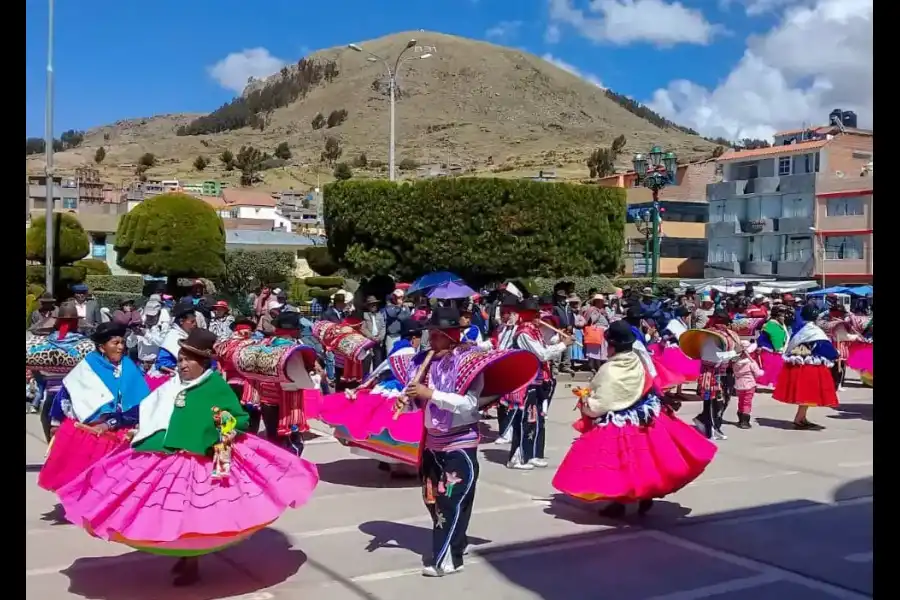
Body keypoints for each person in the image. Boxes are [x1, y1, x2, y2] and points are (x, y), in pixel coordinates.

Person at [55, 328, 319, 587]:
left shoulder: (215, 386)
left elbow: (239, 418)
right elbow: (151, 409)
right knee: (165, 510)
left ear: (202, 364)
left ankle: (191, 561)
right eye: (180, 359)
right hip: (166, 454)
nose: (181, 365)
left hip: (202, 458)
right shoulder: (172, 385)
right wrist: (134, 429)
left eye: (187, 360)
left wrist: (221, 427)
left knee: (194, 513)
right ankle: (185, 556)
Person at [394, 306, 539, 576]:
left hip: (460, 442)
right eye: (429, 335)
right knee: (432, 500)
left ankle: (445, 560)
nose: (430, 341)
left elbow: (470, 406)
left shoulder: (472, 362)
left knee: (451, 500)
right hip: (432, 443)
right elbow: (420, 403)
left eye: (435, 336)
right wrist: (410, 398)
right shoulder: (425, 362)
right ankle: (455, 545)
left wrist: (431, 393)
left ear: (450, 335)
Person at [552, 321, 717, 518]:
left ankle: (619, 503)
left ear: (611, 345)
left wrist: (585, 400)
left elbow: (599, 405)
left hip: (619, 422)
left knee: (617, 465)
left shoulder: (610, 370)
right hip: (644, 418)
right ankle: (644, 495)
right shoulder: (637, 361)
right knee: (645, 462)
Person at [39, 322, 151, 492]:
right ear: (102, 347)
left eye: (122, 342)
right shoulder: (87, 367)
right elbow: (67, 392)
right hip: (90, 431)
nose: (121, 347)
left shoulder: (128, 366)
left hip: (122, 428)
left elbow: (142, 398)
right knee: (89, 479)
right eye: (115, 343)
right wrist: (55, 422)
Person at [507, 298, 570, 470]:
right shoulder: (524, 333)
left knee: (533, 418)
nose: (539, 317)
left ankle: (530, 453)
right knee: (523, 419)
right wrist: (563, 346)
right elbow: (542, 354)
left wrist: (559, 341)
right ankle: (516, 457)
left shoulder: (534, 332)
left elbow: (544, 347)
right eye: (535, 314)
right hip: (524, 381)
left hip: (535, 380)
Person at [773, 304, 840, 430]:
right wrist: (835, 354)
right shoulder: (814, 330)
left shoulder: (798, 327)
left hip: (798, 363)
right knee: (808, 392)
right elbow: (823, 346)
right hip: (811, 365)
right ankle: (800, 418)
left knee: (804, 392)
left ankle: (801, 417)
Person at [690, 310, 740, 441]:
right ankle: (711, 427)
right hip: (712, 373)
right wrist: (730, 355)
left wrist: (736, 355)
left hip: (726, 371)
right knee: (713, 401)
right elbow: (709, 357)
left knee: (725, 400)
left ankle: (711, 422)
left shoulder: (730, 334)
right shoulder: (710, 336)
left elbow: (735, 349)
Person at [155, 302, 198, 373]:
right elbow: (162, 363)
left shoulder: (189, 335)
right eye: (192, 322)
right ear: (181, 321)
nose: (195, 324)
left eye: (195, 321)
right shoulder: (172, 338)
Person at [732, 339, 764, 429]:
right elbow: (758, 373)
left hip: (738, 385)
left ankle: (740, 418)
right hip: (749, 385)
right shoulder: (751, 363)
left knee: (741, 401)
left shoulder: (735, 362)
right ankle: (745, 421)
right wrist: (762, 371)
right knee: (747, 402)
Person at [755, 306, 789, 388]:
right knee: (773, 368)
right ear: (777, 316)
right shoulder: (772, 324)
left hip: (771, 350)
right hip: (771, 350)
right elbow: (775, 339)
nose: (784, 317)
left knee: (773, 368)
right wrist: (779, 348)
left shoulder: (777, 324)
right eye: (782, 315)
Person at [383, 289, 411, 355]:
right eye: (397, 297)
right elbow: (392, 314)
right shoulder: (388, 307)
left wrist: (400, 308)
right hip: (392, 336)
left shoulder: (405, 307)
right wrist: (399, 307)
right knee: (391, 354)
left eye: (401, 297)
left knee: (400, 354)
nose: (399, 299)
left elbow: (405, 317)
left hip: (402, 335)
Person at [361, 296, 387, 367]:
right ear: (368, 306)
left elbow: (383, 327)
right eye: (372, 304)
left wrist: (380, 338)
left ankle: (377, 376)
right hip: (368, 341)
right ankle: (366, 377)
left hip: (378, 341)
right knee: (367, 361)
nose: (374, 306)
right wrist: (372, 337)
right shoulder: (364, 315)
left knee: (378, 360)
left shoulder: (380, 315)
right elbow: (363, 328)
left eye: (375, 304)